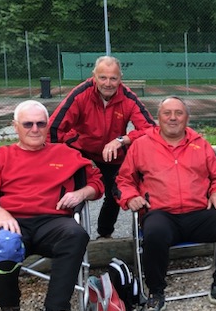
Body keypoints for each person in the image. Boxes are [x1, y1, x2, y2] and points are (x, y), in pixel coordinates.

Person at [0, 100, 104, 311]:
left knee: (76, 235)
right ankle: (9, 310)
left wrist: (81, 193)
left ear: (48, 125)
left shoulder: (66, 154)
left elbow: (97, 183)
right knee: (1, 243)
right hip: (11, 221)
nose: (35, 129)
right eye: (28, 124)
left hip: (53, 222)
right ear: (15, 126)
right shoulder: (0, 156)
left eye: (41, 123)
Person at [115, 97, 216, 311]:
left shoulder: (200, 143)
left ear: (187, 118)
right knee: (154, 232)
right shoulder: (142, 144)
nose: (173, 118)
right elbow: (123, 180)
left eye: (178, 113)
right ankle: (156, 293)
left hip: (198, 213)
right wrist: (131, 197)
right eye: (167, 113)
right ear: (159, 118)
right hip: (161, 214)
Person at [49, 55, 155, 239]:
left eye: (113, 78)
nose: (108, 83)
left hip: (113, 153)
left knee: (116, 192)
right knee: (72, 190)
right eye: (103, 77)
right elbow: (54, 128)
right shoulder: (80, 94)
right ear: (94, 77)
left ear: (120, 78)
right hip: (82, 150)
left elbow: (151, 129)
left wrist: (122, 140)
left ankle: (104, 235)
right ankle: (70, 235)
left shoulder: (128, 98)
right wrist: (68, 148)